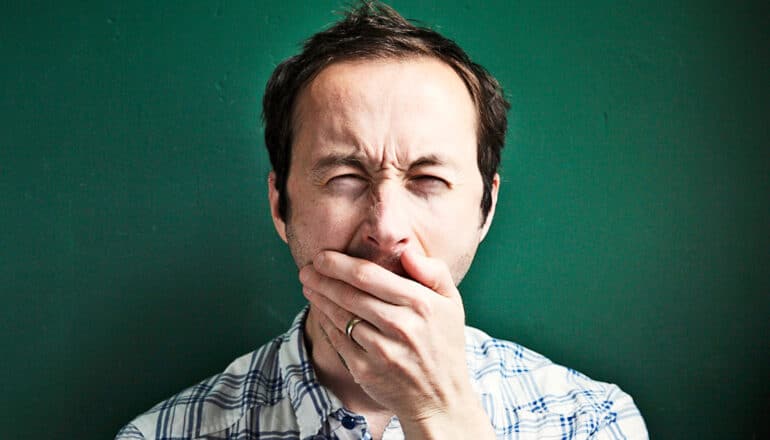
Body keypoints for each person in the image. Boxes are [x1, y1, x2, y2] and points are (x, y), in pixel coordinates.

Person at [116, 2, 647, 439]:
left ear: (486, 209)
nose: (386, 227)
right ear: (281, 205)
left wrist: (441, 415)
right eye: (345, 176)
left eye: (428, 179)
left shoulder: (590, 419)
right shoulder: (162, 434)